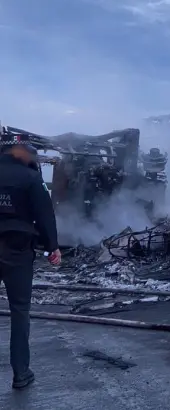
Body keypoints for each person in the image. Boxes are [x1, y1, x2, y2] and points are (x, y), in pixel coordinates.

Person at [0, 132, 61, 389]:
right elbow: (45, 215)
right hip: (17, 250)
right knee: (20, 311)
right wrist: (52, 247)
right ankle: (20, 373)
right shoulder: (31, 178)